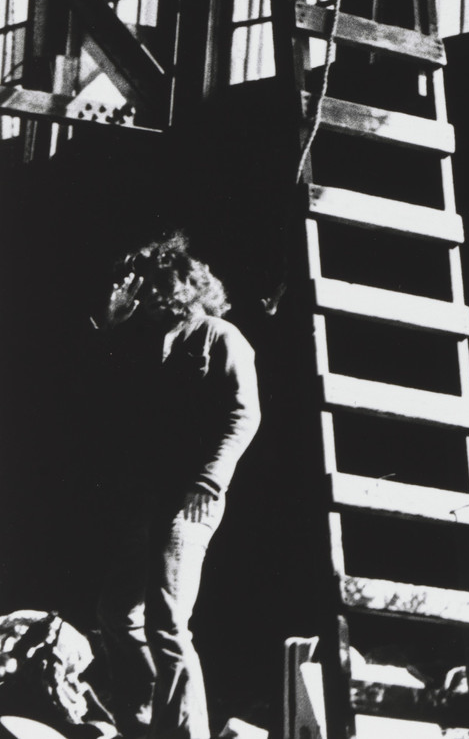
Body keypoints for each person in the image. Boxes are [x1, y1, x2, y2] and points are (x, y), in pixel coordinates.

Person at [95, 234, 259, 739]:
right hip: (144, 496)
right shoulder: (141, 340)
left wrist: (209, 478)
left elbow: (244, 413)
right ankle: (144, 723)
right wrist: (111, 321)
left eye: (157, 286)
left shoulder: (220, 337)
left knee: (167, 622)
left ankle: (186, 733)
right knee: (117, 614)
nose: (148, 296)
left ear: (186, 286)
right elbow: (96, 386)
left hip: (189, 497)